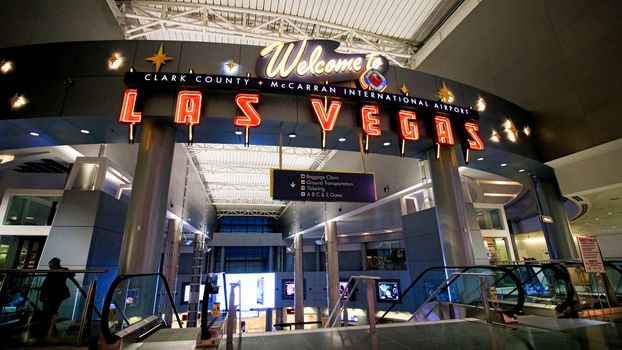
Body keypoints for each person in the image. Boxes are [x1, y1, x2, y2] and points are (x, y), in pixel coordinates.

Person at [38, 257, 75, 336]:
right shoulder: (55, 272)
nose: (50, 268)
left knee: (50, 311)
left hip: (56, 294)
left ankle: (50, 329)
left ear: (56, 265)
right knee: (49, 312)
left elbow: (72, 274)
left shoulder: (62, 270)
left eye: (52, 266)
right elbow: (46, 282)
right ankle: (50, 329)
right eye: (50, 266)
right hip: (52, 294)